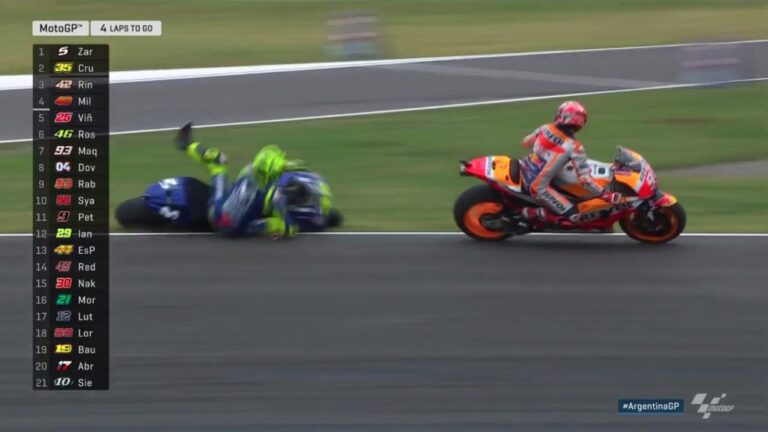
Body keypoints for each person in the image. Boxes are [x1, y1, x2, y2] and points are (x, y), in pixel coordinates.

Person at [175, 122, 299, 238]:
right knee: (277, 224)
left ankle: (187, 145)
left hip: (221, 216)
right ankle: (289, 225)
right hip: (229, 223)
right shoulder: (270, 193)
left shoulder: (250, 171)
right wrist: (289, 223)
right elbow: (279, 206)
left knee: (218, 162)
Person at [519, 101, 621, 226]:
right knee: (574, 217)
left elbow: (526, 143)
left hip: (526, 166)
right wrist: (604, 194)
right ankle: (530, 213)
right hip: (539, 186)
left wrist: (546, 150)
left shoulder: (546, 128)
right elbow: (585, 180)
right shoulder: (575, 147)